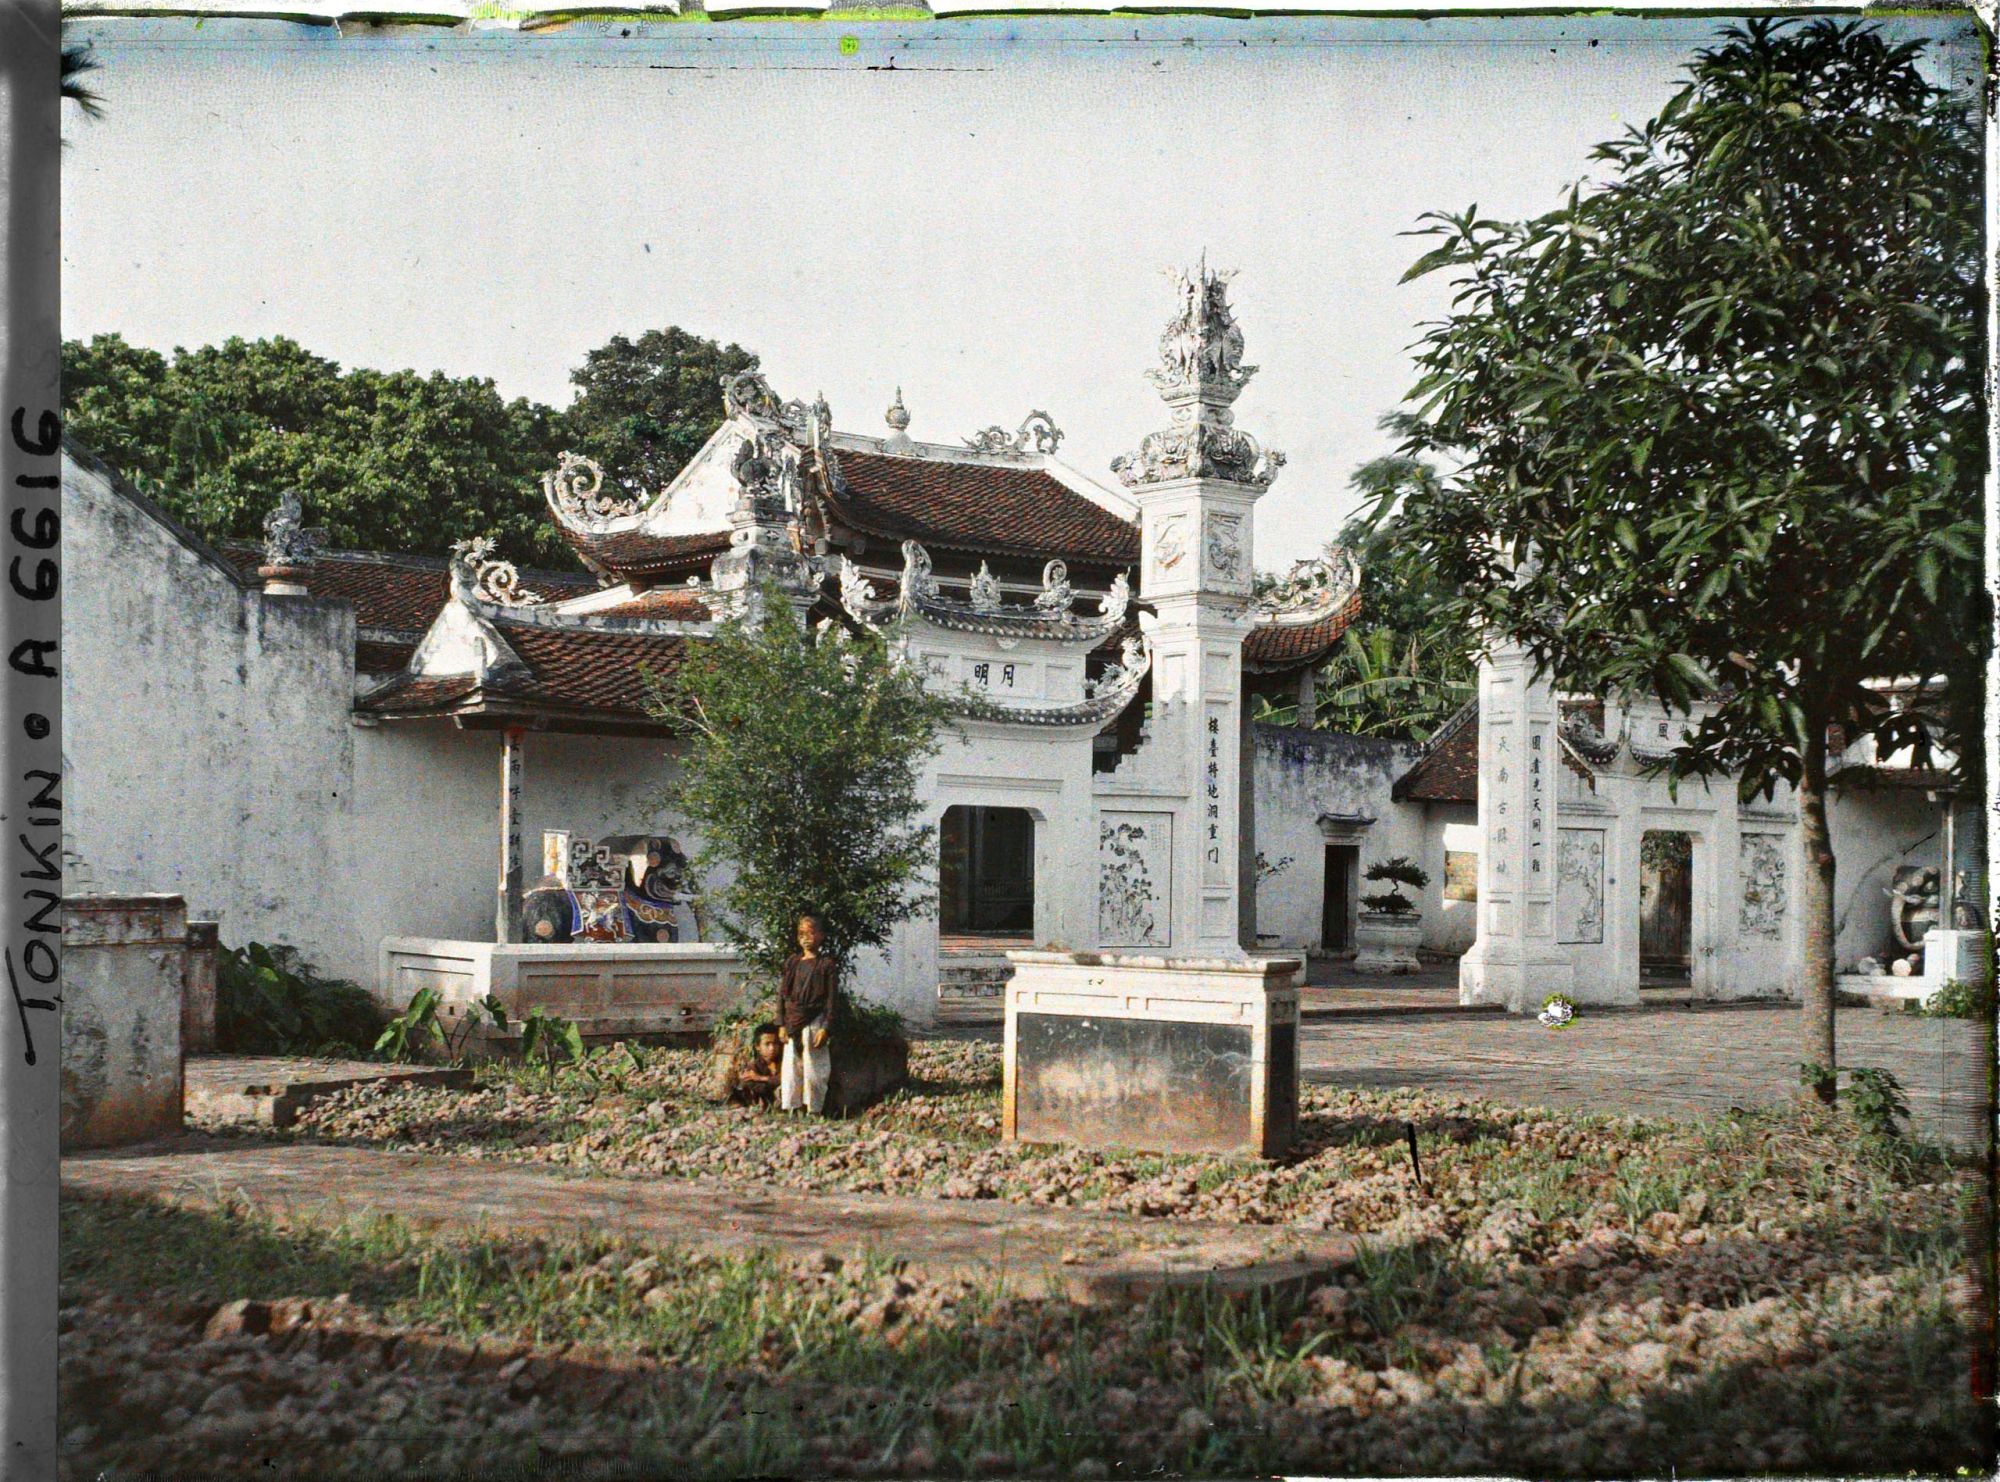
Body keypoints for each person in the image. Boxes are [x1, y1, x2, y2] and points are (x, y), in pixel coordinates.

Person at [778, 913, 837, 1115]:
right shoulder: (793, 963)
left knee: (815, 1067)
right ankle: (792, 1107)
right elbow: (783, 995)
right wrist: (782, 1024)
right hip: (793, 1019)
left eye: (810, 933)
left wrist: (826, 1027)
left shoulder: (826, 965)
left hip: (814, 1020)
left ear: (821, 936)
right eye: (801, 933)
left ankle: (814, 1109)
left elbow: (831, 999)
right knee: (791, 1067)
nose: (805, 938)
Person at [707, 1021, 783, 1107]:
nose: (772, 1048)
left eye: (775, 1043)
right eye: (767, 1044)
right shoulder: (754, 1066)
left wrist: (761, 1078)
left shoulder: (784, 1063)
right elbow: (751, 1084)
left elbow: (787, 1079)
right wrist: (773, 1082)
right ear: (758, 1046)